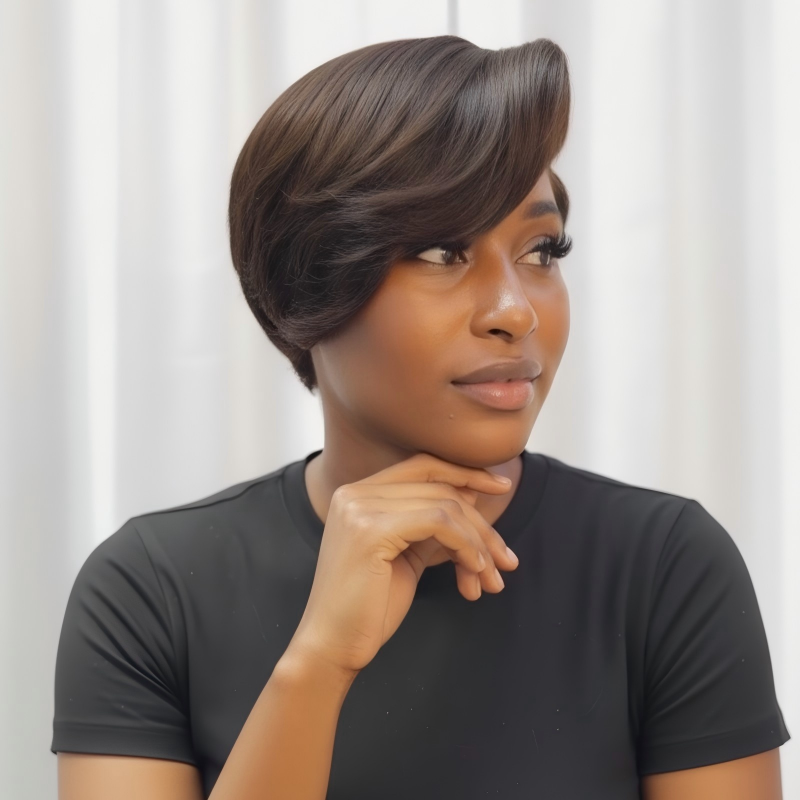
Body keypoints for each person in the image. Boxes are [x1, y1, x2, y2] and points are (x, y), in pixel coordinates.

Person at [52, 35, 790, 800]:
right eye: (442, 253)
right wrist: (319, 661)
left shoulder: (663, 568)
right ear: (304, 287)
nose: (515, 312)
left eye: (542, 250)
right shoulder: (151, 591)